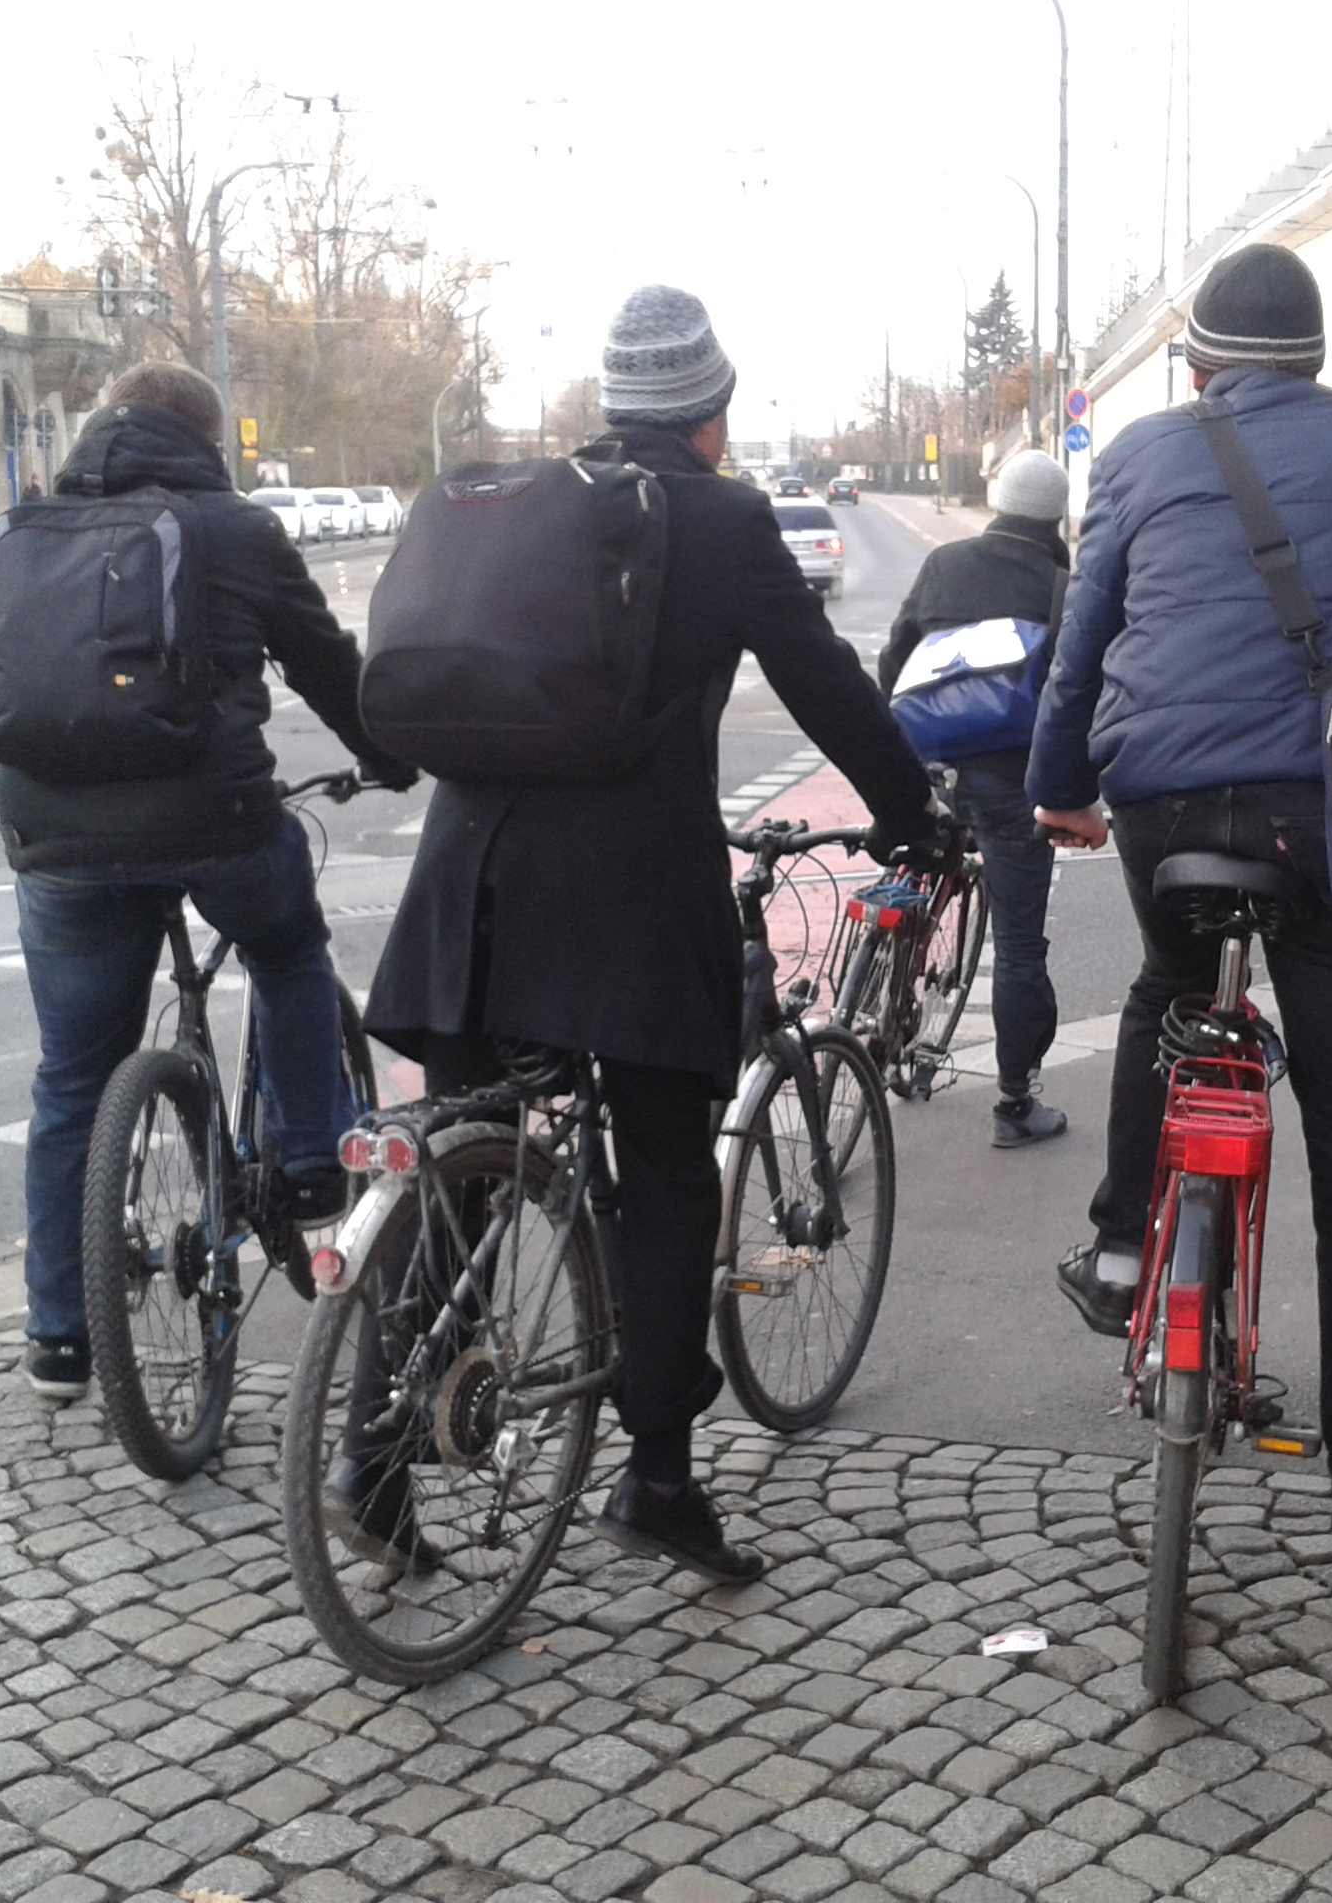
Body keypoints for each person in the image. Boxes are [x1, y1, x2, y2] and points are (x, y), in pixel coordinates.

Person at [365, 286, 940, 1584]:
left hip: (468, 896)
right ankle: (661, 1481)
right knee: (668, 1178)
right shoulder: (721, 519)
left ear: (617, 408)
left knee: (461, 1179)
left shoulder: (535, 505)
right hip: (623, 907)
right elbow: (830, 690)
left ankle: (369, 1458)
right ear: (713, 417)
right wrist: (917, 815)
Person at [1027, 244, 1332, 1570]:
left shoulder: (1144, 459)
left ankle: (1122, 1248)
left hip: (1166, 807)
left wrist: (1061, 789)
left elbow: (1083, 645)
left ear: (1204, 363)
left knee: (1169, 995)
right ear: (1319, 357)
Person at [0, 361, 417, 1401]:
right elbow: (324, 663)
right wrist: (390, 751)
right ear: (206, 438)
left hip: (52, 836)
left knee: (71, 1079)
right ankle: (313, 1154)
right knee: (286, 948)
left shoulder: (25, 526)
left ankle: (58, 1337)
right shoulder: (238, 530)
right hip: (215, 824)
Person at [877, 448, 1073, 1149]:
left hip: (928, 765)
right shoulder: (1060, 586)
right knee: (1020, 944)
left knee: (911, 859)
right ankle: (1016, 1104)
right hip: (1010, 782)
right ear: (1056, 514)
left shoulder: (945, 565)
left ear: (996, 501)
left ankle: (878, 985)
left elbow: (895, 658)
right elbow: (1071, 697)